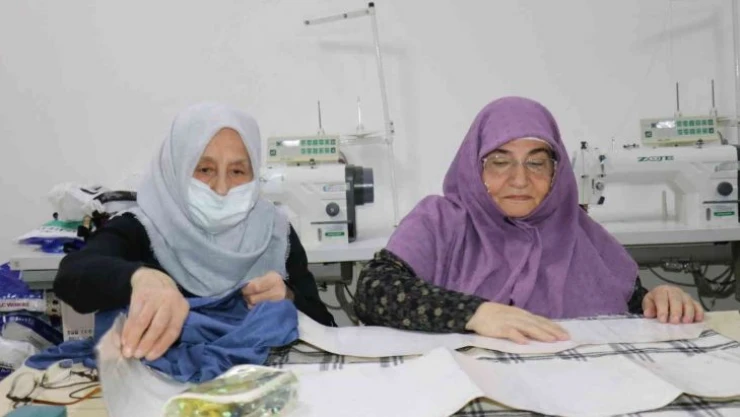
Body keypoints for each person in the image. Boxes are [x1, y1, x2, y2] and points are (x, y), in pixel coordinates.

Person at [354, 96, 703, 344]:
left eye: (536, 163)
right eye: (500, 162)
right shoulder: (440, 221)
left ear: (556, 173)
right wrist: (474, 313)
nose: (519, 180)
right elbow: (374, 290)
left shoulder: (581, 232)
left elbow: (627, 301)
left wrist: (659, 298)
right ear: (475, 168)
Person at [54, 103, 335, 362]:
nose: (221, 188)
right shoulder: (143, 227)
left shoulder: (274, 232)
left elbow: (325, 325)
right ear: (176, 169)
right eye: (205, 169)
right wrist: (139, 278)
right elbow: (72, 276)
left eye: (237, 172)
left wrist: (289, 298)